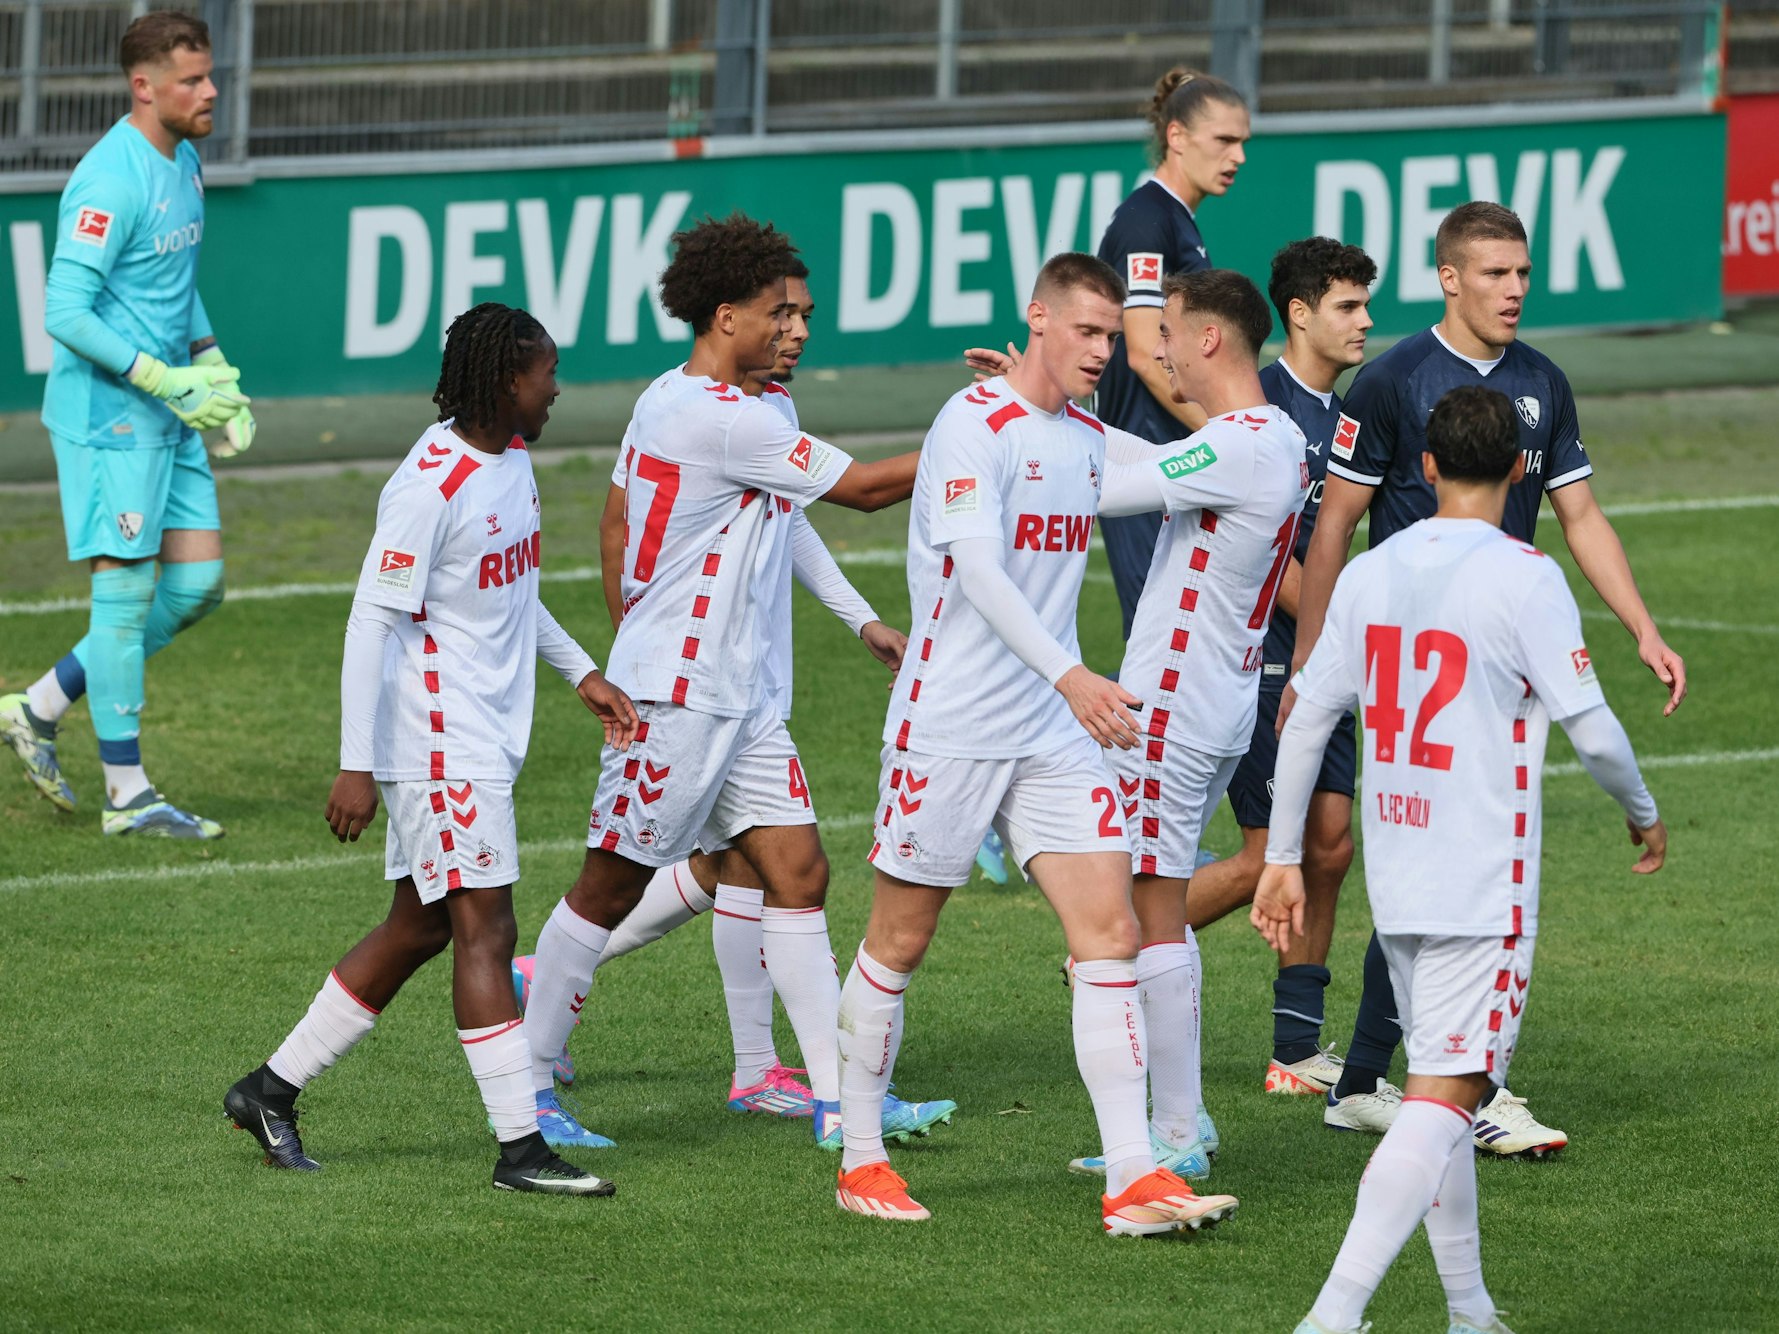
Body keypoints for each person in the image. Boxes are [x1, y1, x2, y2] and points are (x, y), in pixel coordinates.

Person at [516, 213, 947, 1156]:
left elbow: (665, 515)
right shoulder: (716, 416)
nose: (796, 330)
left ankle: (838, 1098)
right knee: (608, 884)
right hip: (675, 699)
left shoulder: (727, 405)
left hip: (742, 700)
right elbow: (869, 488)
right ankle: (531, 1082)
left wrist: (858, 617)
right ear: (724, 316)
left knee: (797, 873)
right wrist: (976, 431)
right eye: (778, 313)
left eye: (803, 314)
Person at [833, 251, 1237, 1235]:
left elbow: (1189, 466)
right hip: (954, 722)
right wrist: (1071, 673)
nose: (1105, 350)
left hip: (1050, 731)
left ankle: (1133, 1175)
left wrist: (1257, 427)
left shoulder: (1086, 437)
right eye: (1089, 331)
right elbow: (976, 568)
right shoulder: (971, 426)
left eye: (1114, 334)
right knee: (900, 940)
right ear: (1039, 321)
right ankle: (859, 1158)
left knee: (1109, 933)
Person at [1257, 384, 1666, 1334]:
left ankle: (1470, 1312)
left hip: (1397, 879)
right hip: (1485, 886)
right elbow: (1594, 731)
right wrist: (1641, 812)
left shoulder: (1368, 572)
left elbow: (1308, 714)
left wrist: (1282, 855)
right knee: (1447, 1099)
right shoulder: (1524, 576)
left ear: (1425, 467)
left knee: (1443, 1079)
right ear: (1520, 469)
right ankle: (1333, 1315)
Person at [1285, 201, 1688, 1155]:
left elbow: (1578, 513)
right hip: (1416, 665)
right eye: (1495, 273)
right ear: (1449, 279)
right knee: (1473, 875)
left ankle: (1378, 1080)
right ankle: (1472, 1083)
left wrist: (1640, 624)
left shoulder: (1543, 381)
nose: (1513, 289)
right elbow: (1335, 521)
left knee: (1437, 876)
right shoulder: (1390, 382)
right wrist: (1312, 660)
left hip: (1498, 655)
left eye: (1522, 273)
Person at [222, 303, 638, 1194]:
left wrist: (580, 673)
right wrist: (355, 761)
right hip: (439, 745)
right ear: (502, 383)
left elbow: (515, 591)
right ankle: (520, 1150)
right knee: (486, 930)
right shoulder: (429, 485)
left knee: (416, 926)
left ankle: (268, 1090)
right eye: (544, 375)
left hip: (483, 736)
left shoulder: (512, 461)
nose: (556, 388)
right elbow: (370, 619)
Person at [1061, 269, 1307, 1180]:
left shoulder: (1241, 444)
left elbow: (1106, 490)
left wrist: (1026, 422)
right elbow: (1141, 458)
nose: (1153, 347)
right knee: (1149, 903)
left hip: (1168, 710)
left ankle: (1174, 1133)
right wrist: (1057, 402)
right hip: (1210, 703)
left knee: (1143, 912)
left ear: (1209, 340)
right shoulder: (1269, 434)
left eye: (1165, 330)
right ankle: (1181, 1123)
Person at [0, 11, 254, 837]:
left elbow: (171, 280)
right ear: (144, 86)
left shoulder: (183, 158)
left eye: (210, 74)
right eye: (191, 79)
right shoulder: (110, 180)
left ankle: (38, 707)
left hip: (168, 407)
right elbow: (64, 311)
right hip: (113, 416)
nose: (211, 90)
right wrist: (162, 378)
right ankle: (127, 795)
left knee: (196, 586)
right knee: (123, 600)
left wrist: (211, 363)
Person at [1169, 237, 1377, 1098]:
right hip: (1263, 663)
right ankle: (1109, 943)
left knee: (1328, 849)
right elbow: (1263, 553)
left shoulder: (1358, 415)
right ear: (1297, 314)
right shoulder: (1261, 412)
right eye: (1346, 306)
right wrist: (1330, 642)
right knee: (1271, 854)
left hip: (1325, 658)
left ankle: (1294, 1051)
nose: (1364, 322)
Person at [1094, 65, 1250, 641]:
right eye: (1224, 141)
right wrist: (1229, 432)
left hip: (1170, 453)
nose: (1237, 157)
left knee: (1186, 643)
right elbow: (1140, 353)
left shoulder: (1176, 222)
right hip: (1145, 455)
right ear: (1178, 137)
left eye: (1242, 143)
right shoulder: (1147, 223)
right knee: (1157, 645)